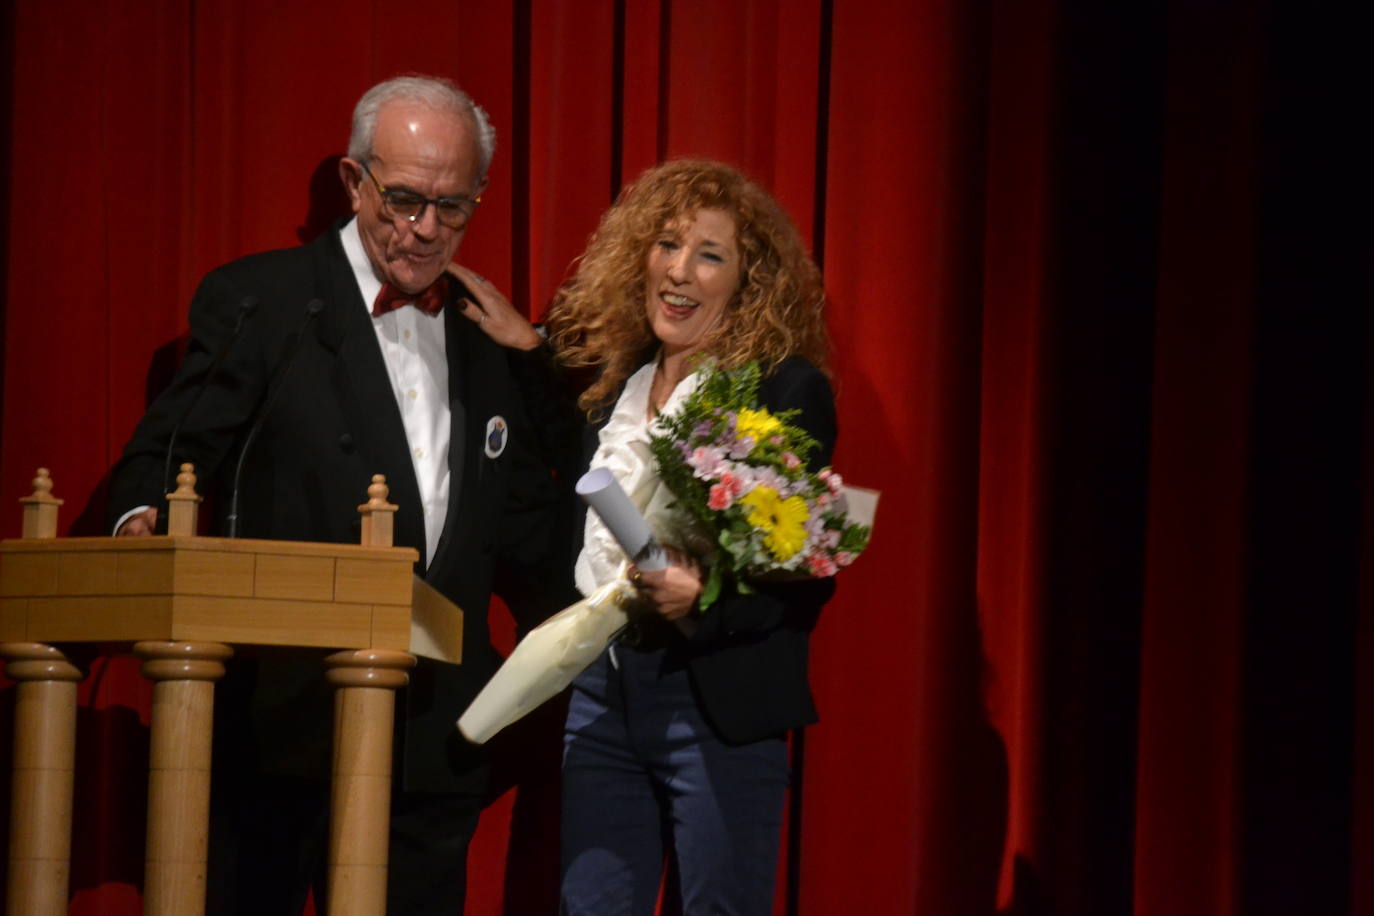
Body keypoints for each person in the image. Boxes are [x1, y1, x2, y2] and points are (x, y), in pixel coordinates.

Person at [107, 75, 557, 915]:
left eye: (452, 208)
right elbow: (171, 451)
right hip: (281, 728)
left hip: (432, 745)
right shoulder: (262, 300)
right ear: (355, 182)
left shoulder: (489, 335)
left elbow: (529, 528)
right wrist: (142, 527)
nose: (425, 230)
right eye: (404, 199)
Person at [463, 159, 838, 915]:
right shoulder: (621, 382)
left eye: (709, 254)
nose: (679, 271)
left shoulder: (783, 388)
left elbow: (807, 566)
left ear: (748, 280)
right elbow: (577, 462)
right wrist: (526, 352)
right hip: (605, 689)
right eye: (667, 245)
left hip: (714, 697)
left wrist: (702, 601)